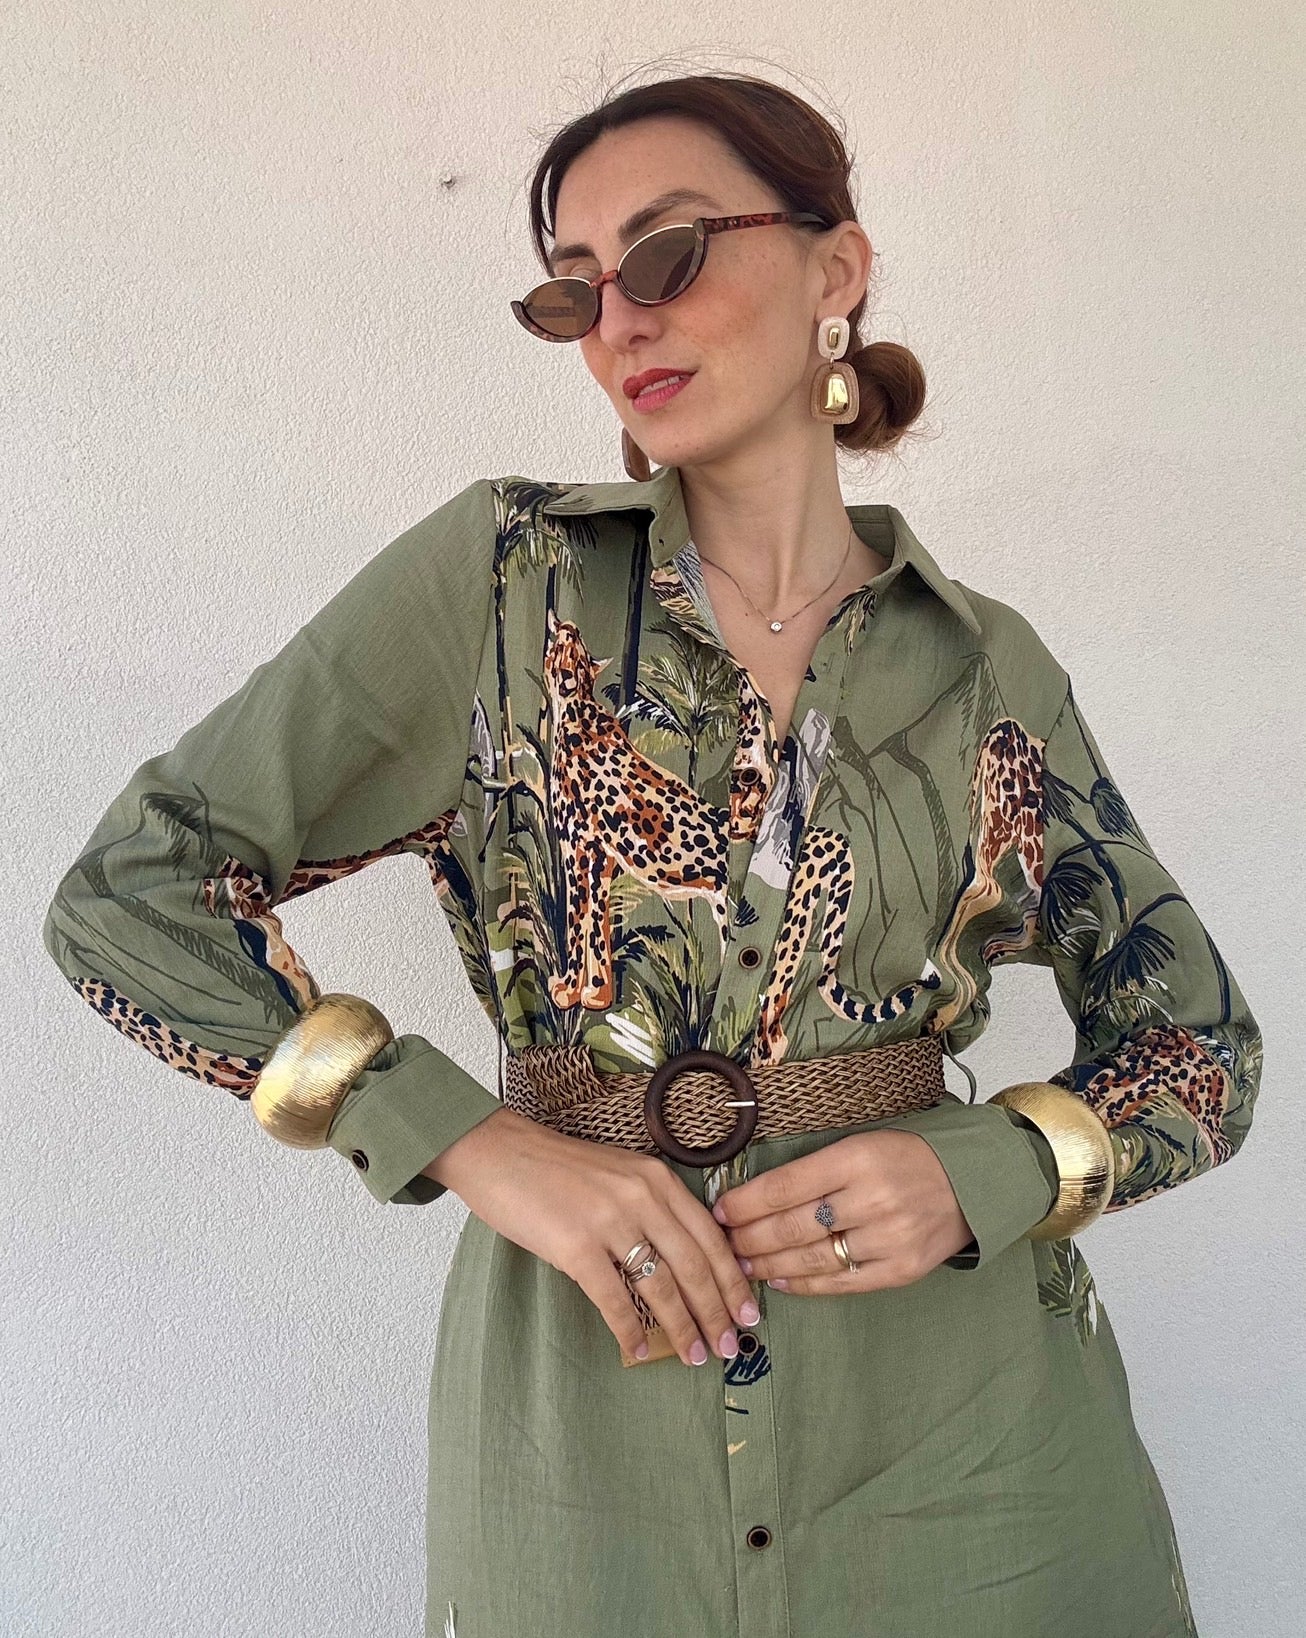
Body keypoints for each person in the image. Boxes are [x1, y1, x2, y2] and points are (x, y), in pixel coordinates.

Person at [41, 69, 1262, 1638]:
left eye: (669, 252)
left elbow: (1198, 1042)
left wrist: (994, 1164)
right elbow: (131, 894)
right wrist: (462, 1137)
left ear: (834, 269)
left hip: (971, 1451)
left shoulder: (980, 669)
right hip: (587, 1423)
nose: (620, 317)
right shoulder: (503, 582)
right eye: (573, 288)